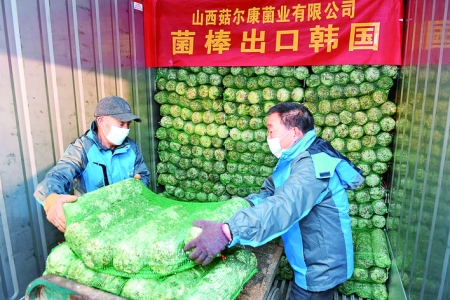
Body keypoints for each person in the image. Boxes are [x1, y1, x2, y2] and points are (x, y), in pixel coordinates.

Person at [184, 102, 364, 300]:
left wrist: (228, 231)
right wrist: (246, 204)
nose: (268, 138)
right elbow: (271, 192)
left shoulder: (311, 167)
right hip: (311, 259)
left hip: (321, 268)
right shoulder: (294, 158)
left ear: (294, 132)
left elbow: (283, 206)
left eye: (271, 131)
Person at [34, 96, 150, 233]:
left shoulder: (132, 147)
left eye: (128, 125)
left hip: (127, 219)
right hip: (93, 224)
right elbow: (58, 175)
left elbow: (143, 175)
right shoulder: (82, 148)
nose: (125, 129)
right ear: (101, 121)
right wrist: (50, 198)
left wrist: (138, 184)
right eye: (121, 124)